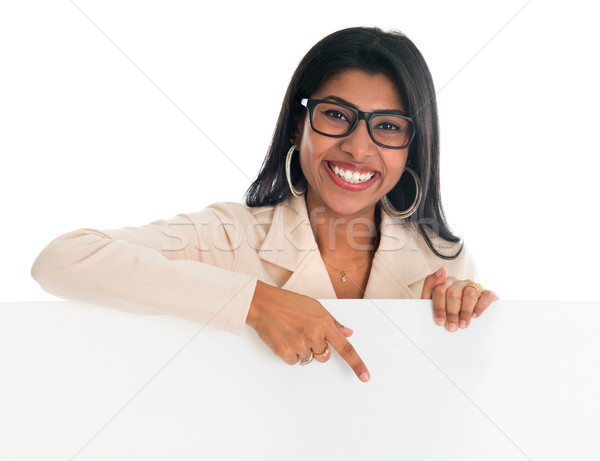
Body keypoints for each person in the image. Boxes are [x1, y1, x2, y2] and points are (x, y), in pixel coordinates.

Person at [31, 26, 498, 383]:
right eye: (336, 115)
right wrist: (255, 303)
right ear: (299, 126)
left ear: (412, 148)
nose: (359, 148)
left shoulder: (442, 260)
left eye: (389, 126)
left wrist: (466, 321)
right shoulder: (230, 236)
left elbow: (449, 409)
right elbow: (61, 259)